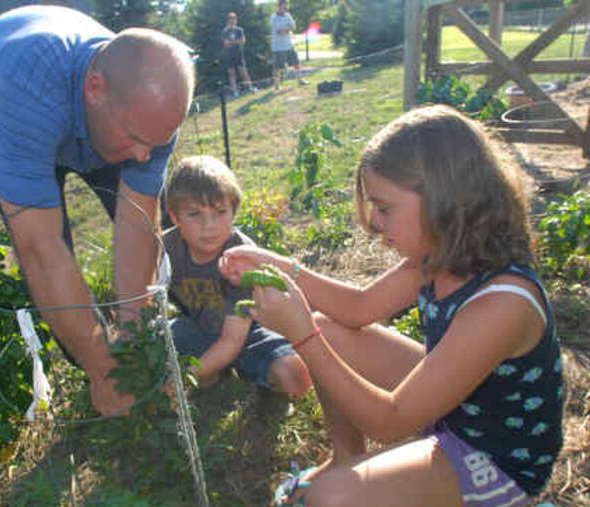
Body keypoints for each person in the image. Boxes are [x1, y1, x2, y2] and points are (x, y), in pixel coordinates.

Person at [219, 105, 564, 506]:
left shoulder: (504, 304)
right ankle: (345, 458)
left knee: (330, 499)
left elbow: (392, 420)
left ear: (443, 200)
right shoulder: (438, 255)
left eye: (385, 208)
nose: (375, 223)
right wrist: (277, 263)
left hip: (496, 460)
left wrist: (301, 334)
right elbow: (358, 307)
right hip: (456, 411)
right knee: (330, 329)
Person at [0, 5, 195, 416]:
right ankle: (97, 374)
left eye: (157, 144)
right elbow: (42, 252)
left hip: (92, 118)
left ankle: (193, 327)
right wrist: (104, 369)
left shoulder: (151, 112)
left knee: (164, 237)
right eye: (137, 138)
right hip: (16, 111)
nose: (143, 155)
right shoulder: (24, 90)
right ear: (95, 88)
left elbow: (137, 224)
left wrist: (134, 331)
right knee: (55, 257)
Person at [163, 155, 311, 396]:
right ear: (174, 215)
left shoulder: (243, 257)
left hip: (250, 332)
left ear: (234, 210)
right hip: (199, 327)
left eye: (220, 212)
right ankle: (213, 368)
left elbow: (233, 339)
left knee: (294, 379)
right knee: (148, 339)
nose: (208, 225)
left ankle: (219, 369)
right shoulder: (165, 249)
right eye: (194, 214)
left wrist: (184, 379)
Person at [270, 0, 305, 90]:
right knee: (277, 67)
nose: (286, 8)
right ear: (279, 6)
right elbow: (279, 31)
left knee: (296, 62)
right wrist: (288, 28)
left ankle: (300, 80)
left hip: (289, 44)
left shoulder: (288, 15)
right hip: (278, 47)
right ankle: (276, 85)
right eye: (284, 7)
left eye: (286, 6)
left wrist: (286, 29)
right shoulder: (274, 17)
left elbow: (293, 27)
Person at [221, 12, 257, 97]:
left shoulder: (239, 30)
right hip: (229, 55)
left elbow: (243, 41)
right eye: (230, 19)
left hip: (239, 54)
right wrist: (236, 42)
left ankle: (250, 87)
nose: (232, 21)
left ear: (236, 20)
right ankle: (234, 90)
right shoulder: (225, 32)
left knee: (243, 71)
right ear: (228, 20)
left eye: (234, 19)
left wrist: (232, 42)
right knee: (231, 73)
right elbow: (226, 44)